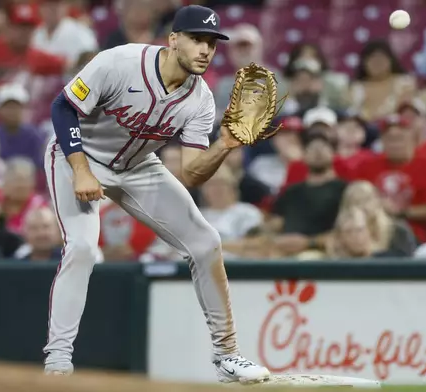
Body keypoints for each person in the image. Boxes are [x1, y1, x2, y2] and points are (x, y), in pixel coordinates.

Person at [44, 5, 270, 382]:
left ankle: (228, 356)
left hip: (138, 166)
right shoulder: (120, 61)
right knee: (83, 247)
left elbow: (193, 173)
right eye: (197, 39)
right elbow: (63, 106)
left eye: (212, 44)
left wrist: (226, 144)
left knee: (206, 242)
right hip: (78, 156)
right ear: (173, 39)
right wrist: (81, 170)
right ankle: (57, 361)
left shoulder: (200, 99)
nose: (205, 50)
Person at [351, 115, 426, 244]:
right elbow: (354, 203)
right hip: (373, 235)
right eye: (389, 138)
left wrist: (401, 211)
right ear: (382, 141)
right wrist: (377, 207)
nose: (395, 143)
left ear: (411, 138)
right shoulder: (367, 166)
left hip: (415, 236)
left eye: (400, 138)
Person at [349, 40, 415, 121]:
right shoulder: (356, 88)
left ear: (391, 61)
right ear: (364, 63)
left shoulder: (404, 84)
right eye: (372, 60)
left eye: (381, 60)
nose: (377, 64)